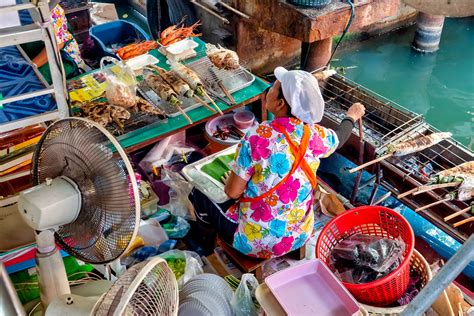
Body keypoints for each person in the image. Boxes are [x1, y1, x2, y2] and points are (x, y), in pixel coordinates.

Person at [191, 67, 365, 259]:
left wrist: (232, 182)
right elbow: (340, 137)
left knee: (199, 193)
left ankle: (203, 248)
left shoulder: (256, 137)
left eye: (273, 88)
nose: (268, 91)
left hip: (254, 243)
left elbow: (232, 192)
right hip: (298, 235)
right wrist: (351, 116)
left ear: (281, 103)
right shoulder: (316, 135)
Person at [23, 4, 86, 83]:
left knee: (32, 81)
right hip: (36, 53)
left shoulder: (48, 9)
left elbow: (57, 45)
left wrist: (29, 67)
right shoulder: (18, 8)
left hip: (64, 58)